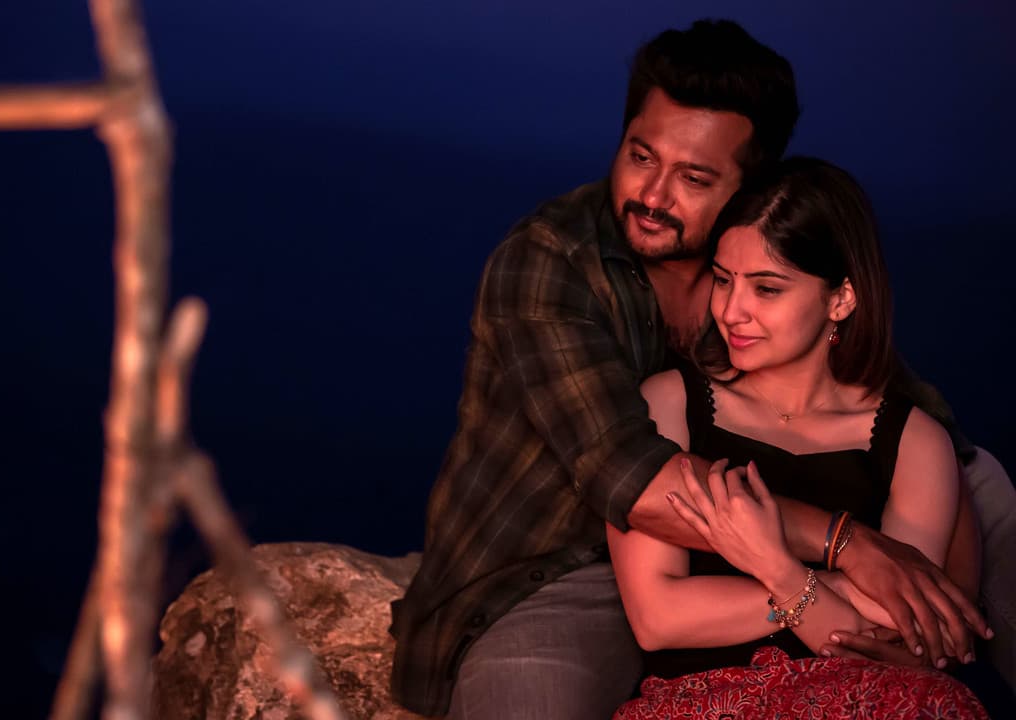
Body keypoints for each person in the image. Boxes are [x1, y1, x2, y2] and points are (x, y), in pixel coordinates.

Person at [389, 19, 1005, 719]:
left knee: (984, 484)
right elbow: (628, 475)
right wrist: (845, 547)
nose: (654, 195)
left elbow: (907, 409)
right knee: (534, 696)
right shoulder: (549, 263)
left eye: (694, 177)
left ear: (753, 188)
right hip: (558, 567)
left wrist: (942, 601)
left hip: (727, 568)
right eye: (641, 156)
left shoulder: (769, 264)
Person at [609, 156, 988, 718]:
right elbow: (659, 619)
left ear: (841, 298)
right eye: (722, 280)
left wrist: (780, 570)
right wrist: (842, 587)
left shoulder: (914, 439)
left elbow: (896, 640)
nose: (730, 311)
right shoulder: (669, 403)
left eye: (766, 289)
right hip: (703, 701)